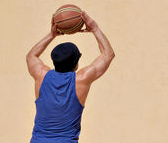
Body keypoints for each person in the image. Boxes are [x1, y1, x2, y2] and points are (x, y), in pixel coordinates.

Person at [26, 12, 115, 143]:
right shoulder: (81, 79)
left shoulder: (41, 76)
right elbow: (108, 54)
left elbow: (31, 56)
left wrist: (51, 35)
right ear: (76, 64)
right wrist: (95, 28)